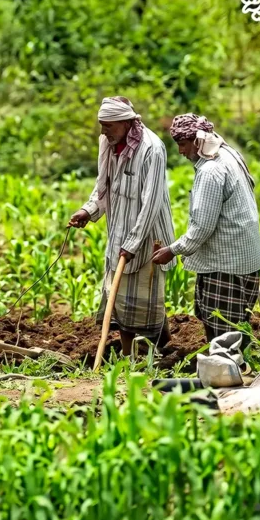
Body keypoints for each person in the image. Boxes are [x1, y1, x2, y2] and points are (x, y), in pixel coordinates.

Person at [69, 96, 176, 355]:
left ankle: (153, 350)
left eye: (109, 126)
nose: (103, 131)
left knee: (144, 300)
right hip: (118, 229)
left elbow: (151, 203)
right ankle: (135, 352)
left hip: (148, 235)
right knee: (120, 301)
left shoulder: (152, 149)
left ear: (127, 123)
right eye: (101, 125)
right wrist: (88, 209)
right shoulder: (107, 143)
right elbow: (102, 185)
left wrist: (132, 244)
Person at [152, 114, 260, 346]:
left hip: (225, 264)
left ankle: (226, 373)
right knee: (235, 325)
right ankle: (235, 368)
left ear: (197, 141)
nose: (181, 151)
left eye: (182, 144)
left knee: (221, 330)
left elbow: (201, 227)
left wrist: (172, 250)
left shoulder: (210, 171)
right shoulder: (230, 154)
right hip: (245, 259)